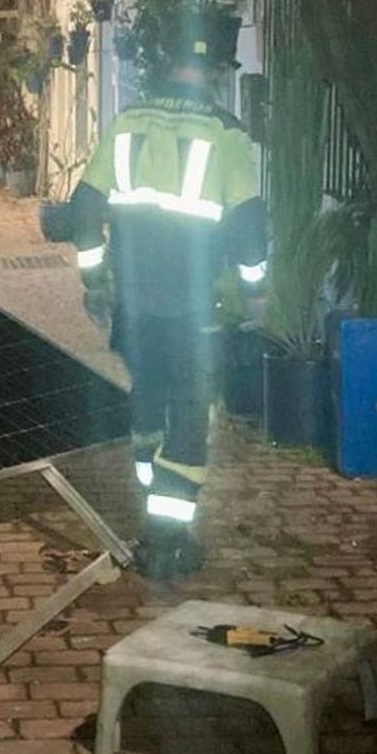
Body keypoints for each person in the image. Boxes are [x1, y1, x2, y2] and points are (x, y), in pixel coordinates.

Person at [70, 29, 267, 577]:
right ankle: (166, 540)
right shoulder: (226, 134)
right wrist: (255, 293)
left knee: (147, 402)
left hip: (134, 305)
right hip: (195, 309)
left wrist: (93, 280)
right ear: (215, 74)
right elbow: (250, 226)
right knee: (188, 418)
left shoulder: (127, 123)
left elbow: (83, 211)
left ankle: (152, 497)